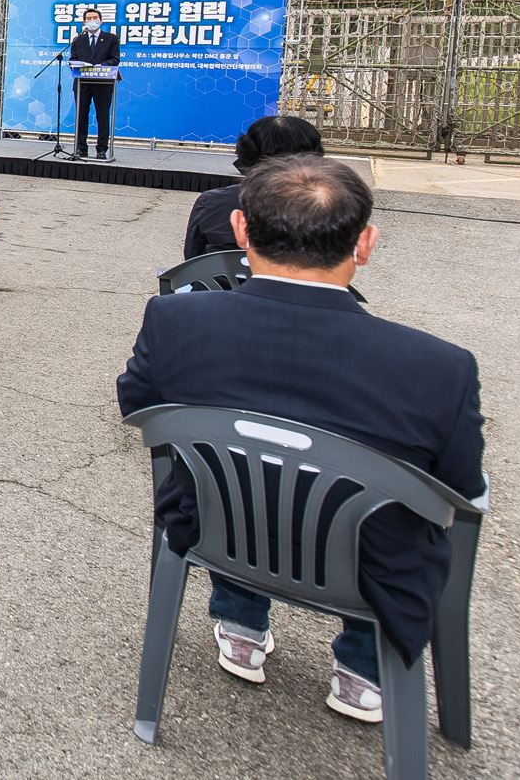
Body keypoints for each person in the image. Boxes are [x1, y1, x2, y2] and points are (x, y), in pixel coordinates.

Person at [118, 156, 483, 725]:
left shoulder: (174, 322)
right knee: (401, 514)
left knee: (230, 475)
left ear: (241, 230)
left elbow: (138, 406)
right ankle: (364, 668)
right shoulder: (439, 368)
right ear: (365, 243)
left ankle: (240, 622)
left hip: (219, 530)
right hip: (366, 566)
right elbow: (460, 486)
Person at [184, 115, 324, 259]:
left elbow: (192, 258)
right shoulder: (331, 207)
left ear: (245, 151)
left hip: (218, 281)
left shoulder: (212, 201)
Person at [70, 6, 121, 159]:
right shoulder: (78, 39)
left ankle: (101, 149)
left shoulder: (111, 38)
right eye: (89, 19)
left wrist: (101, 66)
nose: (92, 21)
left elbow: (115, 59)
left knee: (103, 117)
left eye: (95, 18)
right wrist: (76, 64)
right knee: (81, 117)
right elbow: (73, 59)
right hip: (82, 83)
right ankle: (81, 148)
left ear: (101, 21)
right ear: (84, 22)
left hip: (103, 83)